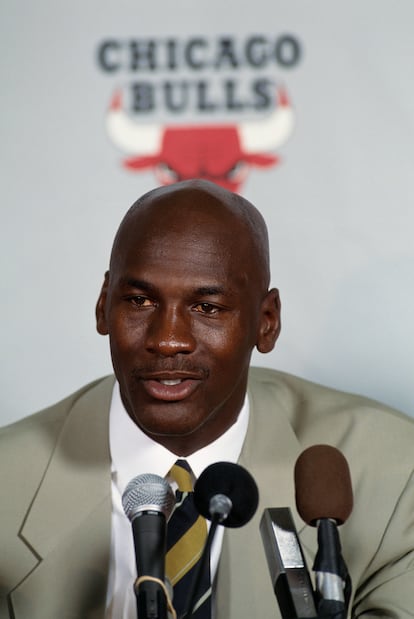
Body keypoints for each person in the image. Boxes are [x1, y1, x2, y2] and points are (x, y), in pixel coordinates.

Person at [1, 179, 413, 619]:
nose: (167, 340)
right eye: (139, 300)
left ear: (266, 323)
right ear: (104, 306)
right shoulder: (9, 481)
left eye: (208, 308)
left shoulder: (392, 473)